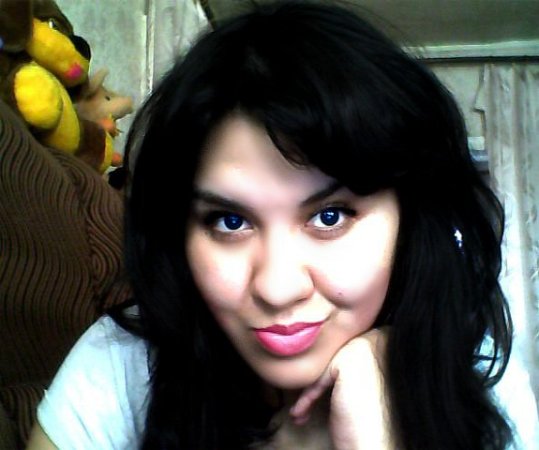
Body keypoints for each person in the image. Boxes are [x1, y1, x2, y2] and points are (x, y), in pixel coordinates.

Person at [26, 1, 539, 449]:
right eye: (230, 221)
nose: (277, 288)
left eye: (329, 216)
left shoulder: (482, 382)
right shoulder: (121, 364)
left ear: (411, 222)